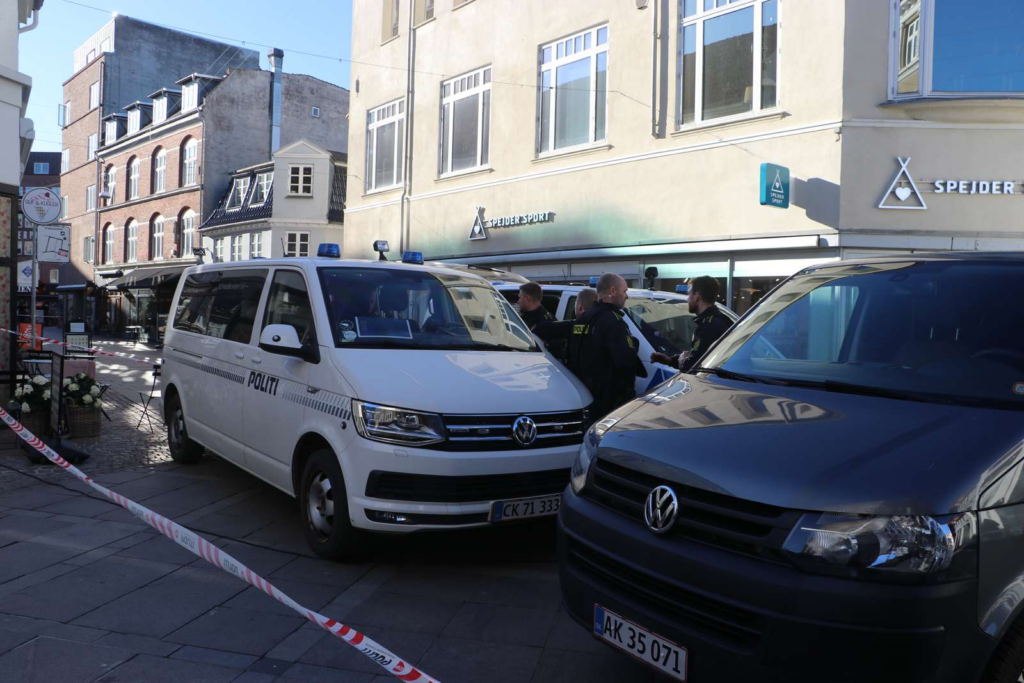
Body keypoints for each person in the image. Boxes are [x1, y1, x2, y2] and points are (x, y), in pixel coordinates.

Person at [570, 274, 647, 421]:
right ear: (612, 291)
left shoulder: (584, 318)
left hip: (585, 396)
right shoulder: (613, 320)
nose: (626, 296)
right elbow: (626, 361)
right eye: (624, 291)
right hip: (610, 402)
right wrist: (633, 343)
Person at [651, 275, 732, 373]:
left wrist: (682, 360)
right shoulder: (716, 320)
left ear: (697, 296)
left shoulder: (708, 326)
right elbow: (699, 356)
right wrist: (670, 360)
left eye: (689, 295)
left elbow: (693, 365)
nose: (687, 300)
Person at [534, 287, 598, 367]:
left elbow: (542, 329)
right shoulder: (603, 325)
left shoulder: (572, 326)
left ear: (580, 306)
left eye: (576, 304)